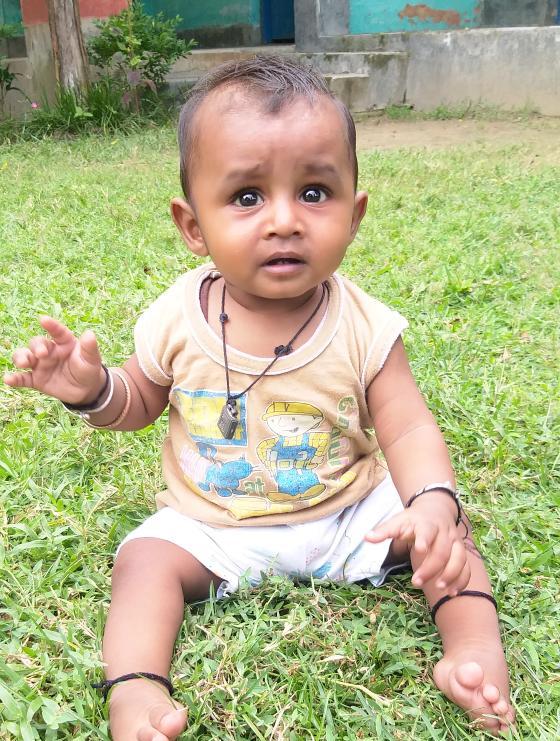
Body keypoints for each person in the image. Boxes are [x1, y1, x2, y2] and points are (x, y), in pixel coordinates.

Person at [4, 56, 514, 740]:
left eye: (314, 192)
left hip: (349, 516)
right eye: (247, 197)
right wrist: (92, 389)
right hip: (216, 527)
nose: (283, 220)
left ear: (355, 214)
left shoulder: (365, 325)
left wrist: (431, 502)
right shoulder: (177, 317)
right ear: (193, 225)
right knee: (144, 560)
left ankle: (473, 651)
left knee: (448, 532)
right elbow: (139, 400)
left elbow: (410, 427)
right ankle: (137, 690)